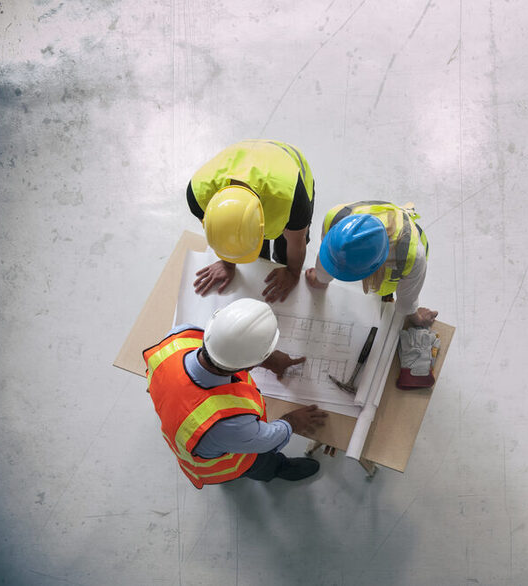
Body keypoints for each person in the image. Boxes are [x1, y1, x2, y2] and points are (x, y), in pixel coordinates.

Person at [143, 298, 328, 488]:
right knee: (261, 463)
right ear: (250, 365)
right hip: (225, 463)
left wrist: (265, 359)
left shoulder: (179, 336)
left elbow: (223, 350)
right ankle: (277, 469)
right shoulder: (227, 423)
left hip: (190, 427)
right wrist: (293, 421)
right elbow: (267, 441)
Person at [187, 140, 315, 303]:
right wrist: (228, 264)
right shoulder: (198, 194)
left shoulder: (291, 200)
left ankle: (282, 262)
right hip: (248, 159)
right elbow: (224, 234)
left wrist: (292, 273)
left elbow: (297, 241)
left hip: (288, 170)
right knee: (255, 254)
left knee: (285, 251)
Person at [305, 201, 438, 327]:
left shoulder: (412, 257)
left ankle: (384, 296)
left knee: (383, 290)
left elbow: (407, 299)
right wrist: (321, 279)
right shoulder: (335, 218)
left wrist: (417, 318)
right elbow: (329, 253)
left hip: (397, 267)